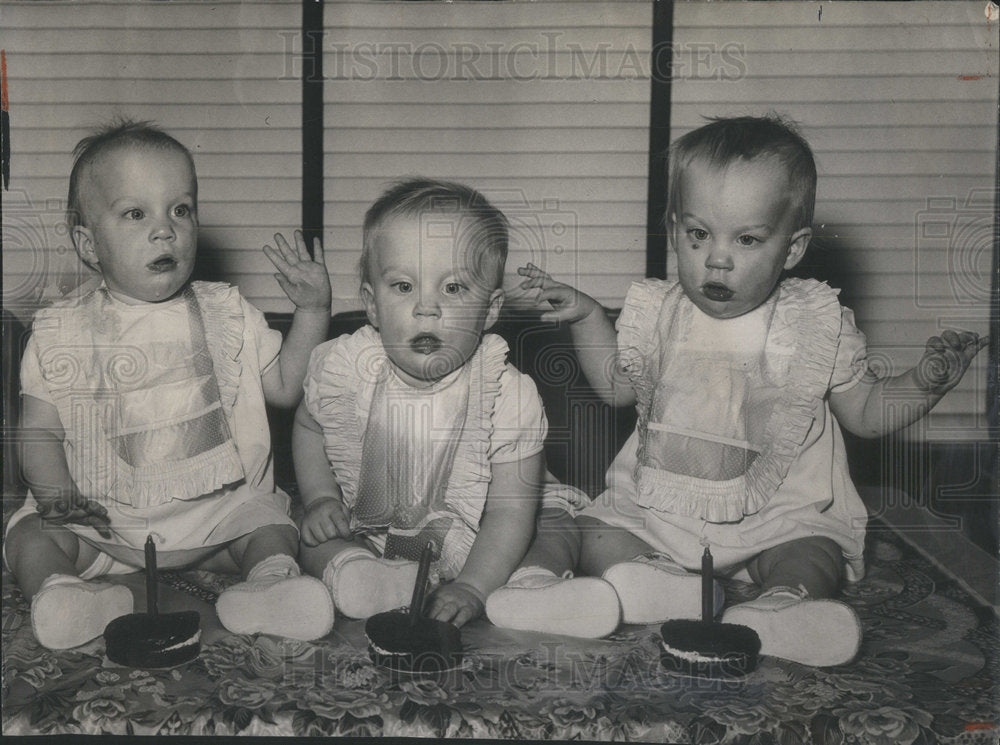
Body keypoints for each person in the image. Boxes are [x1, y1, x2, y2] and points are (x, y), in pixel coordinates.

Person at [486, 115, 986, 666]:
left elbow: (866, 413)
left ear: (792, 248)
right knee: (587, 530)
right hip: (659, 513)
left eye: (747, 239)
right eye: (699, 235)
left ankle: (784, 608)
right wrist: (585, 316)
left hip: (775, 517)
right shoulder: (656, 313)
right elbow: (616, 390)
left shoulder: (814, 322)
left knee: (811, 551)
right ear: (675, 230)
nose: (717, 258)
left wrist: (924, 383)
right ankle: (548, 588)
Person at [5, 120, 336, 649]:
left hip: (215, 528)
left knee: (272, 526)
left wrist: (313, 311)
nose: (165, 230)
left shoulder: (228, 313)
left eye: (180, 209)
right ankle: (62, 592)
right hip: (103, 528)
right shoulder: (59, 331)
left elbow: (285, 389)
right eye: (136, 214)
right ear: (88, 244)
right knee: (29, 534)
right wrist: (58, 495)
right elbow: (39, 432)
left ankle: (271, 587)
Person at [295, 178, 588, 628]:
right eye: (403, 286)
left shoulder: (506, 393)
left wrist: (472, 586)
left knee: (555, 528)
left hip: (498, 531)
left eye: (452, 289)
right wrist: (319, 497)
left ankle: (534, 585)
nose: (425, 309)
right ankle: (355, 575)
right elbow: (310, 425)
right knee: (308, 533)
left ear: (490, 311)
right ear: (372, 305)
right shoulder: (346, 367)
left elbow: (511, 510)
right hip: (376, 531)